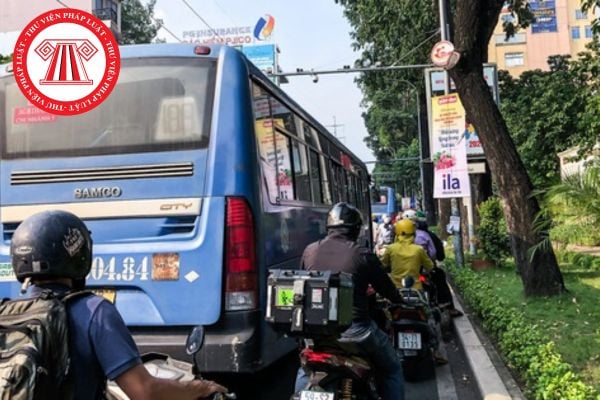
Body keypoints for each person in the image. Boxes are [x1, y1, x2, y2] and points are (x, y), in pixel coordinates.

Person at [9, 210, 227, 400]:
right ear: (78, 254)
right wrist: (199, 388)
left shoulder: (8, 315)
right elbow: (145, 392)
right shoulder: (93, 310)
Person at [296, 202, 405, 400]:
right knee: (392, 369)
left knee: (305, 369)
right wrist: (400, 300)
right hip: (357, 333)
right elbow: (387, 289)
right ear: (356, 230)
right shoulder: (361, 254)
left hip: (317, 332)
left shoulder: (309, 251)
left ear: (329, 228)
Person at [381, 219, 447, 364]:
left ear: (397, 232)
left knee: (386, 320)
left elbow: (382, 265)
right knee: (429, 319)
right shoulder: (418, 250)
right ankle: (436, 352)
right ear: (413, 232)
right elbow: (431, 267)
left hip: (396, 293)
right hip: (416, 293)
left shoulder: (391, 249)